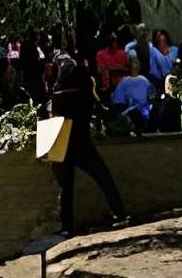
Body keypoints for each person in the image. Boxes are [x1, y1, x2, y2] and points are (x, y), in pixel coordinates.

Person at [44, 51, 130, 238]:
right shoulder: (84, 90)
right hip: (82, 142)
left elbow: (51, 114)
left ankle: (67, 229)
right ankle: (120, 213)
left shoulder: (57, 93)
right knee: (104, 177)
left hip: (61, 142)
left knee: (66, 188)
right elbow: (99, 110)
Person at [110, 61, 154, 129]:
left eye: (120, 76)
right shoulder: (124, 83)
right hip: (128, 112)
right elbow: (118, 103)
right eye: (116, 76)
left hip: (142, 110)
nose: (118, 78)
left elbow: (151, 97)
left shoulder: (144, 80)